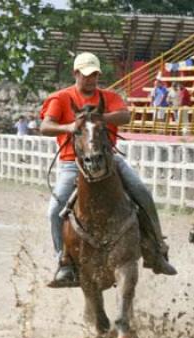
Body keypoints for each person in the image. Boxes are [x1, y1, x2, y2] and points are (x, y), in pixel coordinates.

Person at [40, 52, 176, 287]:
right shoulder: (60, 98)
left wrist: (99, 117)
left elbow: (125, 115)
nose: (91, 80)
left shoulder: (109, 97)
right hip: (74, 162)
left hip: (108, 159)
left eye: (94, 75)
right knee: (55, 209)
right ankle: (64, 262)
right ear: (76, 74)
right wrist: (71, 126)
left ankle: (157, 249)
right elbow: (45, 126)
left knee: (141, 191)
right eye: (86, 75)